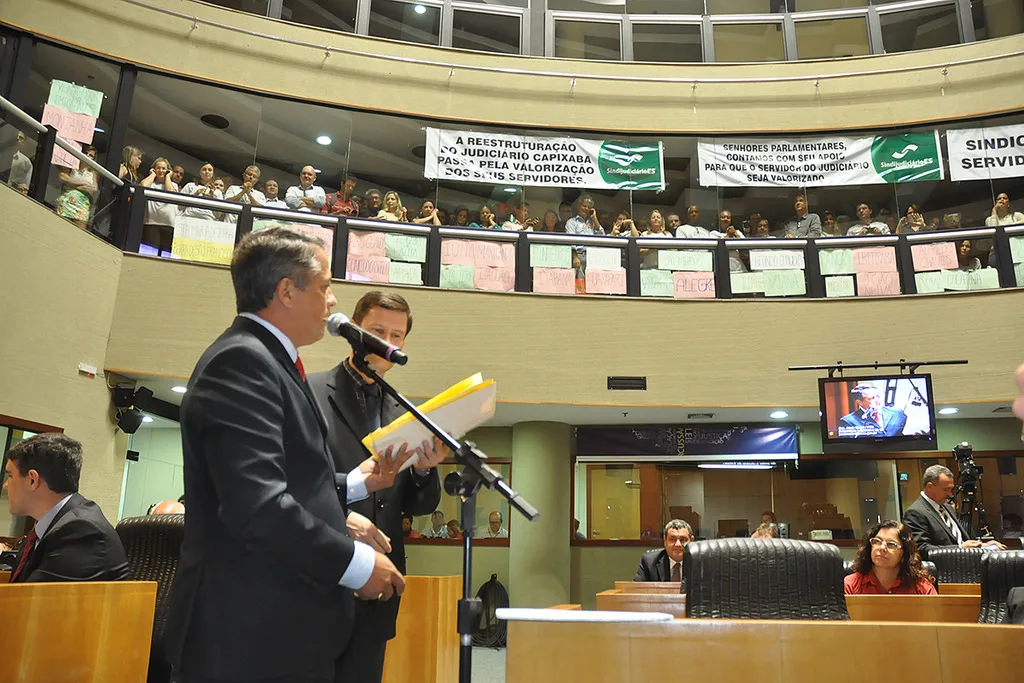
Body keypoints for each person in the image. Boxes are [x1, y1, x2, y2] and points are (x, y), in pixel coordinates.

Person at [164, 227, 407, 683]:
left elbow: (287, 480)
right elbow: (255, 507)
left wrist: (355, 485)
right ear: (286, 292)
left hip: (274, 629)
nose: (333, 300)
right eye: (325, 286)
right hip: (245, 634)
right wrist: (354, 564)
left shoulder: (270, 359)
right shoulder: (242, 363)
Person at [308, 290, 446, 683]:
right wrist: (343, 514)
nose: (388, 342)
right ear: (354, 330)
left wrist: (424, 471)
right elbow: (296, 480)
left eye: (397, 335)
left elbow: (417, 505)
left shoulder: (404, 411)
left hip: (380, 581)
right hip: (322, 574)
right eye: (377, 330)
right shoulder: (311, 390)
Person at [3, 432, 130, 583]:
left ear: (32, 480)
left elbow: (30, 601)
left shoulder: (82, 531)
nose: (5, 485)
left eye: (10, 476)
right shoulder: (54, 525)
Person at [902, 464, 1005, 558]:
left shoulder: (948, 507)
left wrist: (983, 545)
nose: (950, 494)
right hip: (945, 572)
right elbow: (921, 550)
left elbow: (961, 540)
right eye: (946, 489)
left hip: (967, 561)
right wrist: (960, 549)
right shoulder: (915, 513)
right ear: (930, 487)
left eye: (951, 489)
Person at [844, 520, 936, 595]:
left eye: (891, 544)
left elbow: (937, 617)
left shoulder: (921, 588)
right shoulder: (851, 585)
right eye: (877, 541)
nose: (882, 548)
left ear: (904, 555)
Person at [141, 156, 180, 254]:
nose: (161, 171)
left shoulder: (172, 184)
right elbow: (143, 186)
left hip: (168, 224)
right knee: (150, 251)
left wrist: (168, 177)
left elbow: (170, 192)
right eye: (158, 168)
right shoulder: (151, 183)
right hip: (151, 223)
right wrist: (152, 174)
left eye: (163, 168)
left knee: (165, 253)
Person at [55, 144, 99, 230]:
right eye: (86, 153)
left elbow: (94, 188)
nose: (87, 156)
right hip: (66, 202)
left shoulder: (93, 172)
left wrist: (72, 184)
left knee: (79, 232)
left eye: (91, 155)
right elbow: (63, 177)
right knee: (60, 228)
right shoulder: (72, 165)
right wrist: (82, 183)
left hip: (82, 206)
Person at [838, 383, 907, 437]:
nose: (877, 400)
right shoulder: (848, 421)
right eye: (872, 398)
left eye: (878, 396)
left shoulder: (897, 413)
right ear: (859, 402)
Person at [564, 195, 605, 272]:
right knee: (580, 283)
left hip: (593, 256)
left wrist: (595, 218)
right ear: (579, 206)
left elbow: (602, 236)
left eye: (589, 207)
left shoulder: (593, 222)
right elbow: (570, 242)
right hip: (579, 256)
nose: (586, 209)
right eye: (584, 206)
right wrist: (575, 257)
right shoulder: (571, 222)